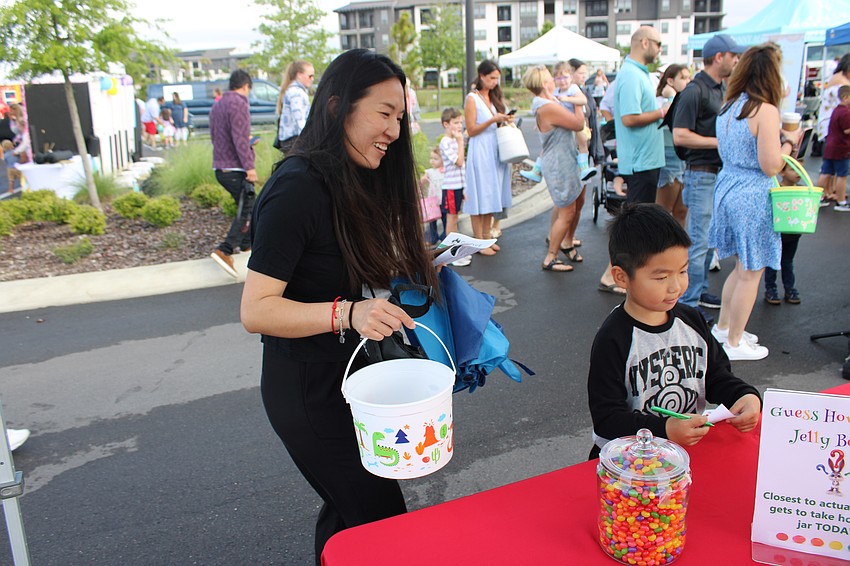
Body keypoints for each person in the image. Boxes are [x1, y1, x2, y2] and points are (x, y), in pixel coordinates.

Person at [239, 48, 438, 564]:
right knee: (378, 519)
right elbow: (256, 309)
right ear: (336, 107)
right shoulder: (296, 187)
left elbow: (346, 270)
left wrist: (428, 262)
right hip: (307, 391)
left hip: (353, 383)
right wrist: (346, 313)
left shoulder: (353, 177)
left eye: (400, 116)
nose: (394, 131)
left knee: (346, 514)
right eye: (384, 113)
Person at [587, 203, 761, 459]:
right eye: (661, 277)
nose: (676, 286)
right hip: (625, 463)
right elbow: (607, 419)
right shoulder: (614, 338)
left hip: (679, 457)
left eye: (683, 271)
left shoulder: (692, 320)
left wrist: (744, 395)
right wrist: (664, 429)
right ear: (621, 277)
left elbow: (715, 376)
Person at [708, 43, 802, 361]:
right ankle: (734, 343)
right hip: (752, 194)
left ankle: (724, 329)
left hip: (728, 187)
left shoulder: (729, 106)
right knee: (752, 270)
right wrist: (789, 143)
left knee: (740, 268)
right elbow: (771, 165)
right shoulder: (765, 110)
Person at [673, 33, 746, 322]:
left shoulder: (718, 88)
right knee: (699, 241)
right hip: (701, 175)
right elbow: (680, 135)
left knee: (707, 240)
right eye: (733, 56)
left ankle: (699, 291)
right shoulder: (695, 90)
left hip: (713, 175)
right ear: (719, 57)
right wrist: (720, 142)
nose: (737, 60)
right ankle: (689, 304)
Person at [597, 26, 665, 296]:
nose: (660, 49)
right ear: (644, 42)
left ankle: (616, 275)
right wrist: (662, 111)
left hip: (644, 159)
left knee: (636, 223)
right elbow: (628, 118)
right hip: (640, 161)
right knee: (633, 224)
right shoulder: (631, 76)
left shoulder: (636, 74)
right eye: (658, 44)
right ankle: (611, 275)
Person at [522, 65, 585, 273]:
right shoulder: (548, 107)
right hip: (559, 165)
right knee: (567, 211)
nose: (554, 80)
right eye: (550, 77)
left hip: (565, 160)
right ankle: (551, 256)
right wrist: (577, 99)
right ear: (543, 83)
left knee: (571, 204)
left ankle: (564, 244)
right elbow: (577, 124)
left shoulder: (550, 103)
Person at [208, 70, 257, 277]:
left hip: (221, 166)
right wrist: (250, 167)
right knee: (247, 208)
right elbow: (239, 139)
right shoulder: (238, 104)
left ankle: (247, 247)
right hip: (236, 167)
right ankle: (225, 249)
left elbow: (215, 136)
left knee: (248, 207)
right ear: (246, 86)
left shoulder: (218, 105)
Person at [464, 60, 513, 256]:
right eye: (492, 78)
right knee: (480, 194)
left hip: (494, 149)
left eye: (497, 78)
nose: (495, 82)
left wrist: (504, 120)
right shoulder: (472, 98)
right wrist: (493, 119)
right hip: (481, 149)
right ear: (482, 76)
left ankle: (485, 236)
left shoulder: (493, 98)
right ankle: (478, 240)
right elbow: (471, 130)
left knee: (491, 193)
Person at [763, 163, 805, 305]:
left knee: (787, 262)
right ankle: (770, 289)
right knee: (773, 262)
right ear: (781, 172)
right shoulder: (775, 188)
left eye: (800, 169)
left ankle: (790, 288)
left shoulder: (803, 191)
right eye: (793, 169)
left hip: (794, 233)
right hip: (776, 233)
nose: (797, 173)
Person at [655, 64, 691, 226]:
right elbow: (667, 118)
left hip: (685, 157)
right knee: (663, 212)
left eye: (689, 77)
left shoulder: (687, 99)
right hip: (668, 155)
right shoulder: (662, 100)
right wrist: (671, 97)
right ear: (670, 81)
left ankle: (678, 249)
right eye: (683, 78)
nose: (687, 81)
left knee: (681, 212)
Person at [438, 107, 468, 266]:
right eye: (456, 123)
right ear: (446, 124)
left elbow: (461, 168)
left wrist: (464, 188)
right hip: (450, 187)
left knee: (455, 220)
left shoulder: (455, 141)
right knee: (451, 220)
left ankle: (455, 251)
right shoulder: (445, 142)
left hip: (458, 186)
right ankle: (450, 255)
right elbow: (459, 162)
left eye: (461, 122)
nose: (459, 126)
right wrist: (460, 141)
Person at [815, 53, 850, 174]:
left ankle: (831, 190)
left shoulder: (836, 77)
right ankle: (832, 190)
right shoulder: (843, 82)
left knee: (830, 164)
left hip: (829, 123)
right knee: (836, 165)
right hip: (835, 124)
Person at [819, 85, 850, 211]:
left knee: (826, 173)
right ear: (845, 97)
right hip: (842, 148)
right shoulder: (846, 112)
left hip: (830, 147)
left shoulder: (836, 110)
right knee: (842, 176)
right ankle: (841, 201)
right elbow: (847, 130)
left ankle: (818, 198)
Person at [276, 60, 314, 154]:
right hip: (295, 140)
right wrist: (309, 139)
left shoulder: (291, 90)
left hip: (290, 140)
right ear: (299, 75)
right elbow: (299, 119)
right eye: (310, 76)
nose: (312, 79)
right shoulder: (296, 93)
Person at [419, 147, 444, 246]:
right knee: (432, 221)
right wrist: (422, 181)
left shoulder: (445, 171)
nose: (432, 161)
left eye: (435, 159)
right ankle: (432, 237)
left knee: (445, 218)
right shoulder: (429, 172)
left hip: (443, 199)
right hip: (433, 202)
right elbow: (422, 181)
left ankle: (444, 236)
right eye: (431, 158)